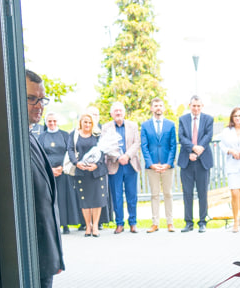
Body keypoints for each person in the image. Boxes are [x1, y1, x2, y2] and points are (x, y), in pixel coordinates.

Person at [25, 69, 68, 288]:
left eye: (42, 99)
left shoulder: (31, 136)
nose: (40, 105)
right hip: (27, 260)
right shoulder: (11, 140)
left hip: (42, 256)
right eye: (32, 99)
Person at [102, 102, 142, 234]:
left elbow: (137, 143)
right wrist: (118, 157)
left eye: (120, 111)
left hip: (130, 164)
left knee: (132, 195)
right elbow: (104, 146)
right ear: (111, 114)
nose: (118, 113)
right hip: (114, 165)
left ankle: (133, 223)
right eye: (115, 111)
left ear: (124, 113)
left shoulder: (133, 125)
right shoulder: (106, 127)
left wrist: (127, 156)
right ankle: (119, 223)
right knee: (116, 195)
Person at [38, 112, 81, 234]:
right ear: (46, 122)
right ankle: (53, 225)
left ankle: (65, 224)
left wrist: (62, 167)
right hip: (48, 172)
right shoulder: (42, 137)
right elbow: (40, 155)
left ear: (57, 122)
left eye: (54, 121)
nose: (52, 123)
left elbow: (69, 151)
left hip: (63, 171)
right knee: (51, 199)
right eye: (49, 121)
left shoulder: (64, 135)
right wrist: (50, 169)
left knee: (63, 198)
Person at [67, 111, 108, 237]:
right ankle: (88, 226)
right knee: (84, 200)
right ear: (81, 122)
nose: (87, 124)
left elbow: (103, 151)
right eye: (85, 122)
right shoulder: (74, 134)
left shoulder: (97, 135)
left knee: (97, 199)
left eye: (90, 122)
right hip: (81, 171)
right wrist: (76, 163)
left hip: (96, 172)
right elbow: (70, 149)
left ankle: (95, 226)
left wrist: (96, 165)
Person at [177, 96, 214, 233]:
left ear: (202, 106)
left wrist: (198, 151)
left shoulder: (208, 119)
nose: (196, 108)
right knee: (187, 193)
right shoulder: (183, 119)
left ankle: (202, 222)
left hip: (203, 162)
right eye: (194, 106)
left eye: (199, 106)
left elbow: (208, 136)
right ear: (190, 105)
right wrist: (192, 149)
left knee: (202, 193)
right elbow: (181, 137)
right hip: (187, 161)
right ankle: (188, 222)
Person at [140, 97, 177, 232]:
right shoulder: (145, 125)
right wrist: (151, 164)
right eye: (155, 105)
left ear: (164, 108)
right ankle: (155, 223)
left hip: (167, 165)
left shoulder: (171, 125)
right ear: (151, 108)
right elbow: (144, 146)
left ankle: (170, 223)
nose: (158, 108)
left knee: (168, 193)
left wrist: (168, 163)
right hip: (152, 166)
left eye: (160, 105)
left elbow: (173, 146)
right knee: (154, 194)